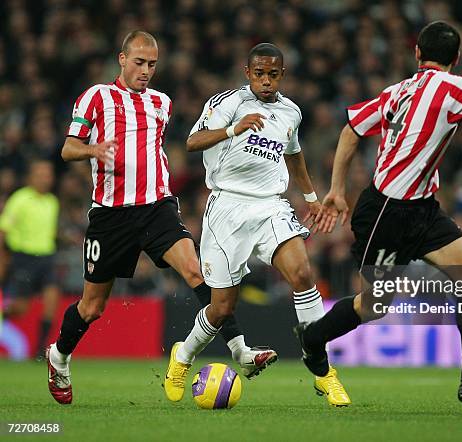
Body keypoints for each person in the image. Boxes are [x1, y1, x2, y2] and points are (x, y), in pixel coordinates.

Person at [296, 21, 462, 407]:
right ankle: (312, 339)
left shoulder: (396, 91)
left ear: (416, 54)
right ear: (456, 58)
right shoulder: (456, 87)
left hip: (422, 210)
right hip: (388, 213)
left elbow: (350, 130)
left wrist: (338, 189)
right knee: (375, 307)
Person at [45, 31, 276, 406]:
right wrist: (94, 150)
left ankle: (240, 350)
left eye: (152, 64)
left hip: (157, 207)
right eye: (139, 62)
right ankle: (59, 356)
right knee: (92, 307)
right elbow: (68, 149)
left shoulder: (161, 103)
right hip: (111, 215)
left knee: (198, 272)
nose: (146, 71)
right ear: (122, 59)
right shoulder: (97, 97)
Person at [164, 43, 351, 407]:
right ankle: (182, 357)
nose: (266, 80)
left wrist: (311, 198)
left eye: (274, 74)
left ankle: (324, 373)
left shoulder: (291, 112)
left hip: (270, 206)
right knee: (221, 308)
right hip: (227, 207)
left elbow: (294, 155)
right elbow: (191, 142)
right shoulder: (227, 103)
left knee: (302, 274)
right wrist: (234, 129)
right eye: (260, 73)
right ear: (248, 73)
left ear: (282, 74)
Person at [0, 159, 60, 359]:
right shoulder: (20, 199)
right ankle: (4, 313)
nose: (45, 179)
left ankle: (40, 349)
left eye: (48, 175)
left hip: (46, 257)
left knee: (52, 299)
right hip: (23, 258)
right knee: (21, 308)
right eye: (41, 175)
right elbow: (4, 229)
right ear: (31, 177)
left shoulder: (53, 202)